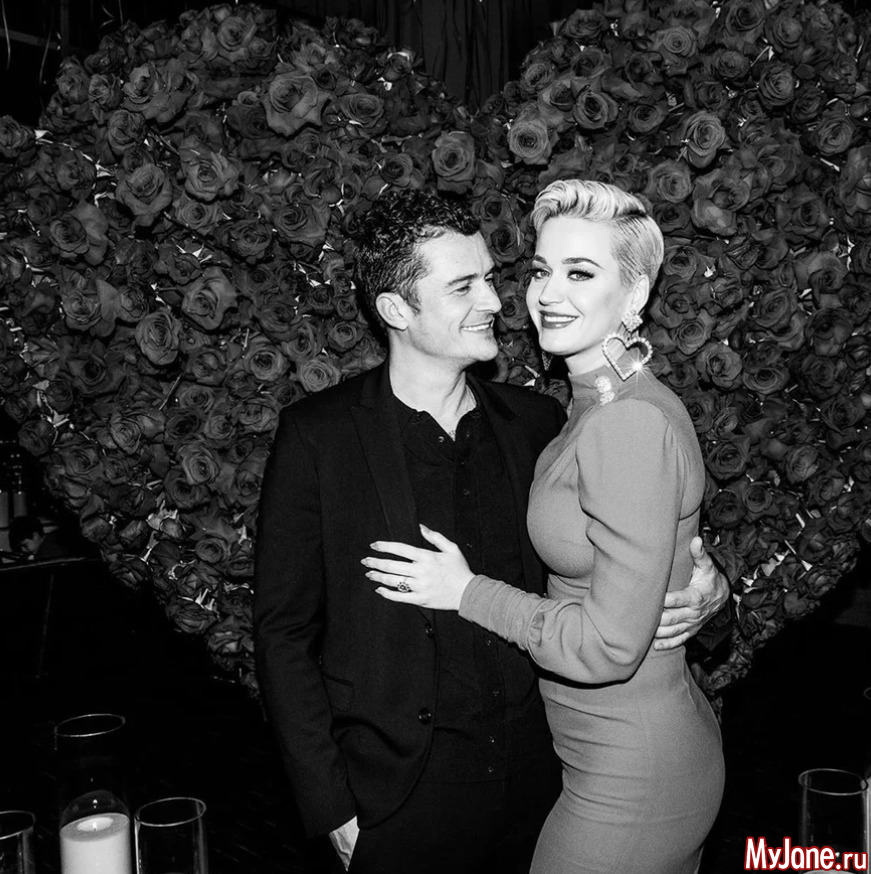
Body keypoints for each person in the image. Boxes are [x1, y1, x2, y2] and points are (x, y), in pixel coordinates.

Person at [253, 189, 729, 874]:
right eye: (463, 286)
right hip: (402, 799)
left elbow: (638, 551)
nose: (495, 301)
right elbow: (283, 633)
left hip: (547, 781)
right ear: (396, 310)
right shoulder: (319, 439)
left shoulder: (537, 422)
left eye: (490, 277)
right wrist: (330, 805)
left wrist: (714, 600)